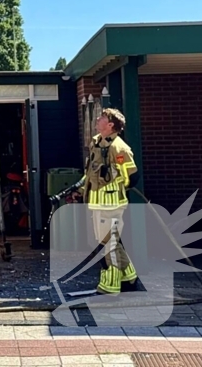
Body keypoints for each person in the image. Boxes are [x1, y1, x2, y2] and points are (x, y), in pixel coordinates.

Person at [54, 108, 139, 295]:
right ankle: (130, 279)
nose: (98, 119)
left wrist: (112, 186)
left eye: (102, 117)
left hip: (111, 205)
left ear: (110, 125)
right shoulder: (96, 144)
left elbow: (132, 177)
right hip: (97, 204)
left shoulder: (119, 148)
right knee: (110, 242)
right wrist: (81, 191)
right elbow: (91, 174)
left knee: (108, 245)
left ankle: (111, 285)